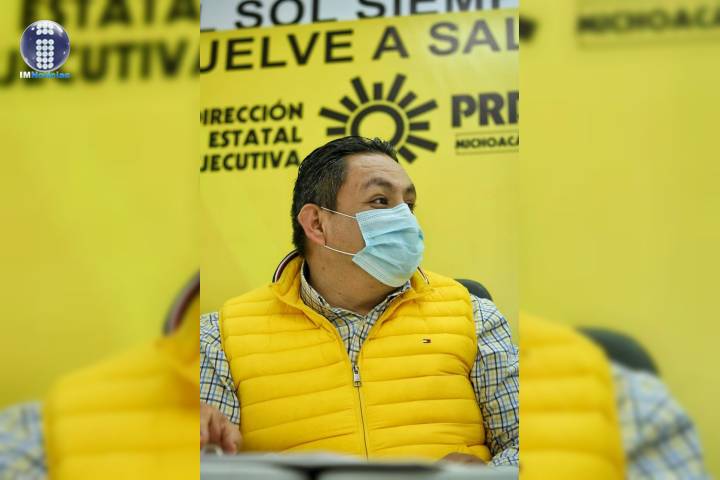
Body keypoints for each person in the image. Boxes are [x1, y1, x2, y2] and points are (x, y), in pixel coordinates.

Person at [200, 136, 520, 465]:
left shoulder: (474, 316)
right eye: (381, 201)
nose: (406, 219)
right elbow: (210, 462)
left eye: (408, 205)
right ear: (317, 224)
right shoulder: (222, 337)